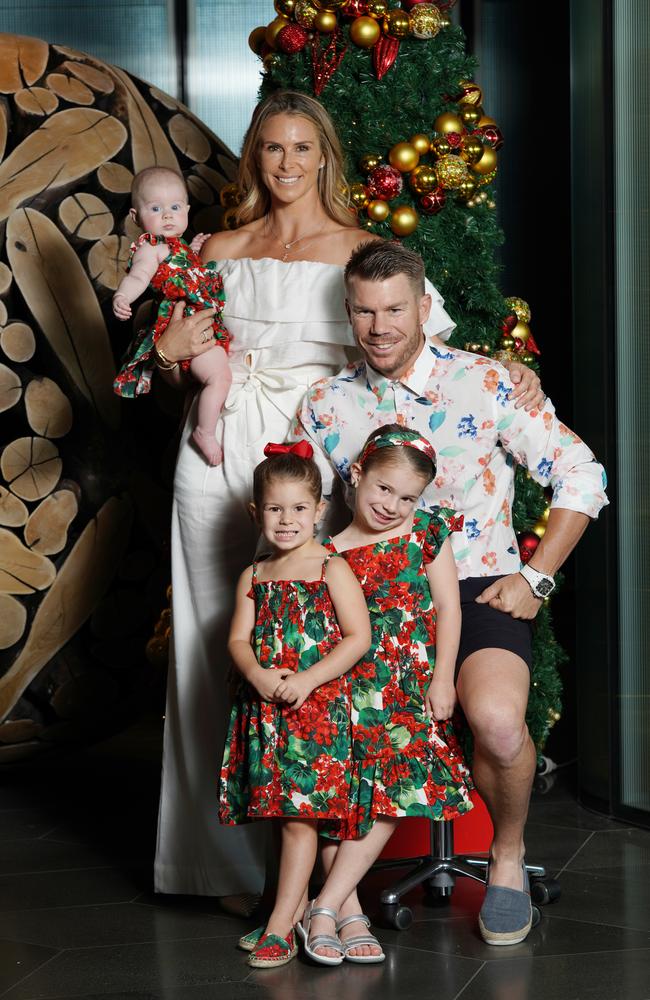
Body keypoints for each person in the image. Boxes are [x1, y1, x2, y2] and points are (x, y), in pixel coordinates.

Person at [151, 89, 542, 909]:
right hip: (216, 454)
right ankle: (219, 864)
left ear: (325, 155)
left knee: (316, 649)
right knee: (208, 644)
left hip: (314, 450)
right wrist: (164, 352)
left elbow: (414, 346)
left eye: (302, 148)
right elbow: (172, 357)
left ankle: (325, 880)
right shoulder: (215, 245)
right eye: (271, 149)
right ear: (254, 158)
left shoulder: (360, 248)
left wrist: (508, 370)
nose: (286, 165)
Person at [292, 239, 608, 946]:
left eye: (395, 309)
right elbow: (302, 519)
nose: (380, 327)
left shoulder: (490, 383)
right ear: (349, 314)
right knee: (325, 735)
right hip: (369, 604)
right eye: (365, 312)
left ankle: (507, 853)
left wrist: (535, 576)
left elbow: (582, 474)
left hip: (476, 589)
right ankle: (327, 902)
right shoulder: (324, 404)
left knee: (496, 722)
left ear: (424, 307)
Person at [296, 424, 473, 965]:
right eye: (383, 489)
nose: (393, 505)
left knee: (395, 793)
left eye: (408, 497)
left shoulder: (426, 535)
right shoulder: (325, 552)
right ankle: (346, 911)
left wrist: (444, 678)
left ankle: (322, 905)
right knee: (338, 801)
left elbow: (449, 609)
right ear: (356, 476)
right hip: (346, 692)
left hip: (407, 690)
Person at [218, 441, 370, 968]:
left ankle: (281, 925)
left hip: (317, 709)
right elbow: (238, 639)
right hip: (266, 708)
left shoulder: (331, 567)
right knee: (279, 811)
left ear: (320, 510)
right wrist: (257, 674)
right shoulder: (254, 574)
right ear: (255, 513)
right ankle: (295, 907)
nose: (287, 520)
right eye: (275, 509)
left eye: (299, 508)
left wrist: (307, 680)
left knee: (298, 817)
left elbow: (358, 638)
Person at [112, 167, 231, 466]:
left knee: (205, 384)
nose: (167, 215)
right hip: (182, 326)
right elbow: (140, 276)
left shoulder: (177, 247)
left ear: (187, 211)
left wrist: (193, 250)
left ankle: (193, 428)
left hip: (201, 321)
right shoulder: (150, 248)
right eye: (155, 208)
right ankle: (204, 432)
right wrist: (123, 296)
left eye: (175, 207)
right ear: (136, 216)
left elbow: (182, 270)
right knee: (219, 376)